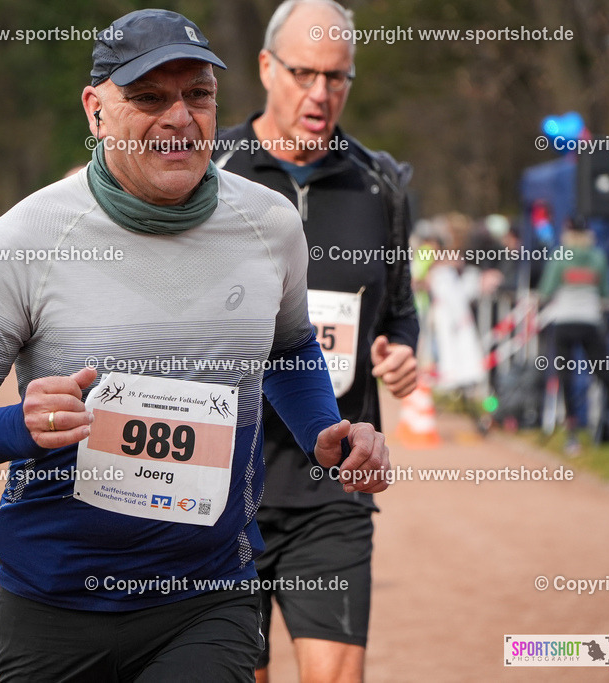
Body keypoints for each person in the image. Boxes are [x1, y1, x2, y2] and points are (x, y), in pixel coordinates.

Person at [0, 10, 391, 681]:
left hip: (209, 595)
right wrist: (14, 426)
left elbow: (287, 349)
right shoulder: (26, 237)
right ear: (96, 110)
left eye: (197, 94)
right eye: (148, 98)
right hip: (55, 600)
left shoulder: (269, 225)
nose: (179, 117)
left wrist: (323, 431)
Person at [216, 2, 419, 681]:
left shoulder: (381, 182)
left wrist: (399, 349)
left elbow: (401, 310)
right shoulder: (210, 176)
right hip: (223, 490)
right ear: (267, 67)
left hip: (334, 488)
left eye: (338, 77)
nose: (321, 93)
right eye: (305, 73)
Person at [539, 216, 609, 454]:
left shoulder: (559, 256)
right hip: (590, 322)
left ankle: (572, 435)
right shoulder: (597, 257)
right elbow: (605, 291)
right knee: (605, 373)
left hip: (565, 322)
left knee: (565, 377)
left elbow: (546, 290)